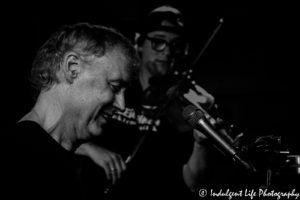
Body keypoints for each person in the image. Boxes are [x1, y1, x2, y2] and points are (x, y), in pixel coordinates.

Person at [75, 5, 220, 199]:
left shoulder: (185, 102)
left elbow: (194, 181)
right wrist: (88, 148)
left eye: (176, 45)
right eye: (158, 42)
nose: (168, 52)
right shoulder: (114, 85)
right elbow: (61, 129)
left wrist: (202, 143)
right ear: (139, 43)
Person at [1, 22, 138, 200]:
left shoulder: (64, 166)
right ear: (73, 68)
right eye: (114, 86)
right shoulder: (14, 156)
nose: (122, 105)